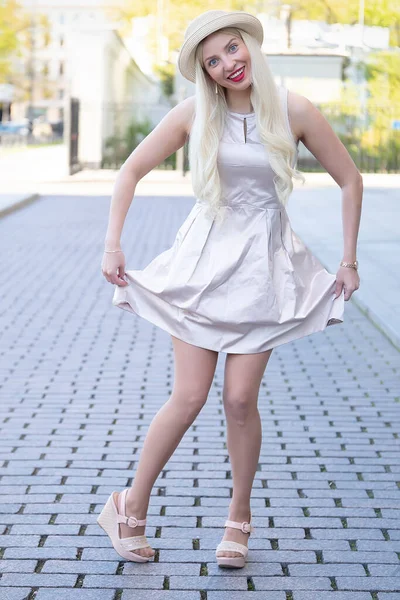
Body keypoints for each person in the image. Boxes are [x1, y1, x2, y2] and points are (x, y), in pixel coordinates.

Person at [97, 9, 362, 568]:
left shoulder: (295, 110)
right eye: (212, 61)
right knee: (190, 395)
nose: (227, 65)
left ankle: (238, 519)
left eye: (232, 49)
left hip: (262, 266)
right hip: (202, 261)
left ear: (250, 46)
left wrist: (347, 260)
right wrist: (113, 245)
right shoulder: (195, 113)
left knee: (240, 399)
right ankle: (128, 507)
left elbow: (350, 178)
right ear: (205, 73)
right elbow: (130, 170)